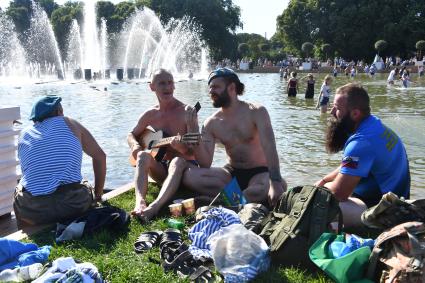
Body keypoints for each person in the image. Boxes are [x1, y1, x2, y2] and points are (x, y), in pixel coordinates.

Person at [181, 67, 287, 207]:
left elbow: (270, 147)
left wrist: (275, 181)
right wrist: (193, 130)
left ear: (231, 88)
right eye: (210, 87)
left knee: (265, 188)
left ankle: (219, 202)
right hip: (231, 173)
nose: (211, 91)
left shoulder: (256, 112)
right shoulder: (211, 123)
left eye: (216, 87)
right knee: (189, 177)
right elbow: (205, 163)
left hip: (260, 172)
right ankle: (237, 200)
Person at [315, 83, 410, 227]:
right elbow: (348, 165)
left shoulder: (361, 142)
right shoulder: (373, 125)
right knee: (325, 187)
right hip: (399, 200)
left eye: (338, 108)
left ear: (355, 113)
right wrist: (323, 180)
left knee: (319, 203)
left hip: (386, 212)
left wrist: (314, 191)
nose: (332, 112)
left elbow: (340, 193)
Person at [14, 96, 106, 225]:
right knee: (83, 182)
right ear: (59, 113)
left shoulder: (24, 133)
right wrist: (98, 195)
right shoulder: (70, 123)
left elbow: (29, 173)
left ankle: (25, 229)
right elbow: (100, 157)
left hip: (32, 211)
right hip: (73, 205)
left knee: (21, 186)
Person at [128, 69, 198, 221]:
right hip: (162, 169)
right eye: (162, 83)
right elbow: (131, 134)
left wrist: (181, 147)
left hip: (185, 169)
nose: (167, 87)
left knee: (177, 160)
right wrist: (135, 145)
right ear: (152, 87)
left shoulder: (187, 112)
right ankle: (139, 202)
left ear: (174, 86)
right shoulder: (150, 114)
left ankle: (154, 207)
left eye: (170, 82)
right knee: (142, 155)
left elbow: (194, 151)